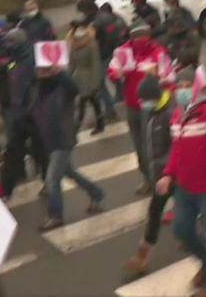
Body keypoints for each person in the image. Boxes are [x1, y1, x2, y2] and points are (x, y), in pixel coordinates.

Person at [155, 67, 206, 297]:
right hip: (184, 186)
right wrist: (168, 174)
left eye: (186, 86)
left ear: (196, 88)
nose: (181, 91)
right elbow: (177, 149)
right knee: (181, 230)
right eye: (178, 87)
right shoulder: (177, 114)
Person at [33, 64, 104, 231]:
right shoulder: (41, 91)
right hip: (50, 141)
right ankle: (96, 193)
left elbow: (74, 88)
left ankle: (56, 216)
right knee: (69, 172)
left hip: (63, 140)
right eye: (40, 70)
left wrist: (60, 72)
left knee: (52, 179)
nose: (41, 73)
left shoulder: (63, 89)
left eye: (45, 70)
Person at [108, 21, 174, 195]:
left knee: (154, 146)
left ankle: (160, 179)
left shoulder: (158, 52)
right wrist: (118, 75)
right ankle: (147, 179)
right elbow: (113, 70)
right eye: (137, 36)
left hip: (154, 107)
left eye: (144, 36)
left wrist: (158, 77)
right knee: (139, 145)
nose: (141, 40)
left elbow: (170, 76)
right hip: (133, 106)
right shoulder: (123, 52)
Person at [0, 28, 43, 197]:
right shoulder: (15, 60)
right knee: (12, 154)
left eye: (10, 42)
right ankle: (7, 189)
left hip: (33, 117)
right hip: (18, 118)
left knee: (41, 153)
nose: (7, 45)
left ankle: (49, 181)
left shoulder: (32, 62)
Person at [123, 75, 174, 274]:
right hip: (161, 175)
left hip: (174, 175)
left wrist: (168, 173)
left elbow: (176, 147)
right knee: (154, 211)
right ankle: (144, 252)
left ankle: (199, 246)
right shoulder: (153, 111)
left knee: (185, 213)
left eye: (144, 100)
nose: (142, 104)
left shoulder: (170, 113)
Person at [67, 16, 104, 134]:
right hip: (79, 77)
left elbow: (95, 64)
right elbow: (72, 62)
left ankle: (79, 125)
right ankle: (97, 124)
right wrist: (68, 75)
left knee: (89, 101)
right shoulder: (74, 44)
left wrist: (95, 82)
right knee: (88, 101)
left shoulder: (91, 44)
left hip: (89, 77)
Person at [162, 0, 202, 68]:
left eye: (166, 5)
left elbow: (194, 53)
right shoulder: (169, 17)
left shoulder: (190, 33)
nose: (165, 7)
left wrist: (175, 55)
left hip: (186, 66)